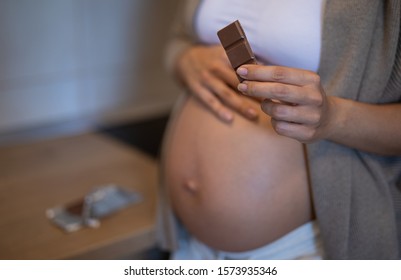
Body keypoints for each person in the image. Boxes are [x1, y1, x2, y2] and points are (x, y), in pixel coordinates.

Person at [157, 0, 401, 259]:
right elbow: (178, 41)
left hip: (306, 247)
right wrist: (185, 59)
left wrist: (335, 117)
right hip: (191, 244)